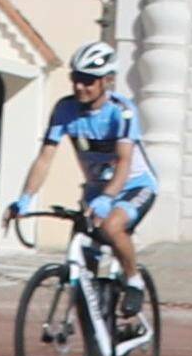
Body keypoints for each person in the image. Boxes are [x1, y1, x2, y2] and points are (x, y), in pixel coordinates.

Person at [10, 42, 154, 275]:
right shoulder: (64, 109)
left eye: (87, 80)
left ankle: (133, 280)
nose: (79, 86)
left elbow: (124, 162)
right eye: (75, 78)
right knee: (82, 258)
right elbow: (45, 158)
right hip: (96, 188)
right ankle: (87, 296)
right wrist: (25, 199)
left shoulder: (122, 111)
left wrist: (107, 198)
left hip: (134, 185)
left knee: (112, 227)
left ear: (107, 80)